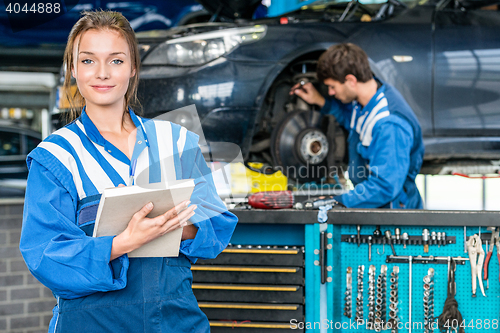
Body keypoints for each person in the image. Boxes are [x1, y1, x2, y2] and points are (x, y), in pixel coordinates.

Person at [19, 10, 238, 332]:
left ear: (133, 68)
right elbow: (45, 255)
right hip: (92, 322)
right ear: (73, 70)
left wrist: (166, 226)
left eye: (116, 60)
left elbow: (215, 227)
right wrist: (123, 242)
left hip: (175, 318)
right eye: (89, 60)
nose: (103, 73)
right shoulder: (57, 156)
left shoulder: (176, 140)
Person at [291, 43, 424, 209]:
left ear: (351, 81)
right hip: (374, 206)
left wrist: (340, 201)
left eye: (332, 87)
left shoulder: (390, 125)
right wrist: (321, 101)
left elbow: (384, 187)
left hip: (394, 214)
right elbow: (352, 120)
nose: (331, 92)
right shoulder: (366, 100)